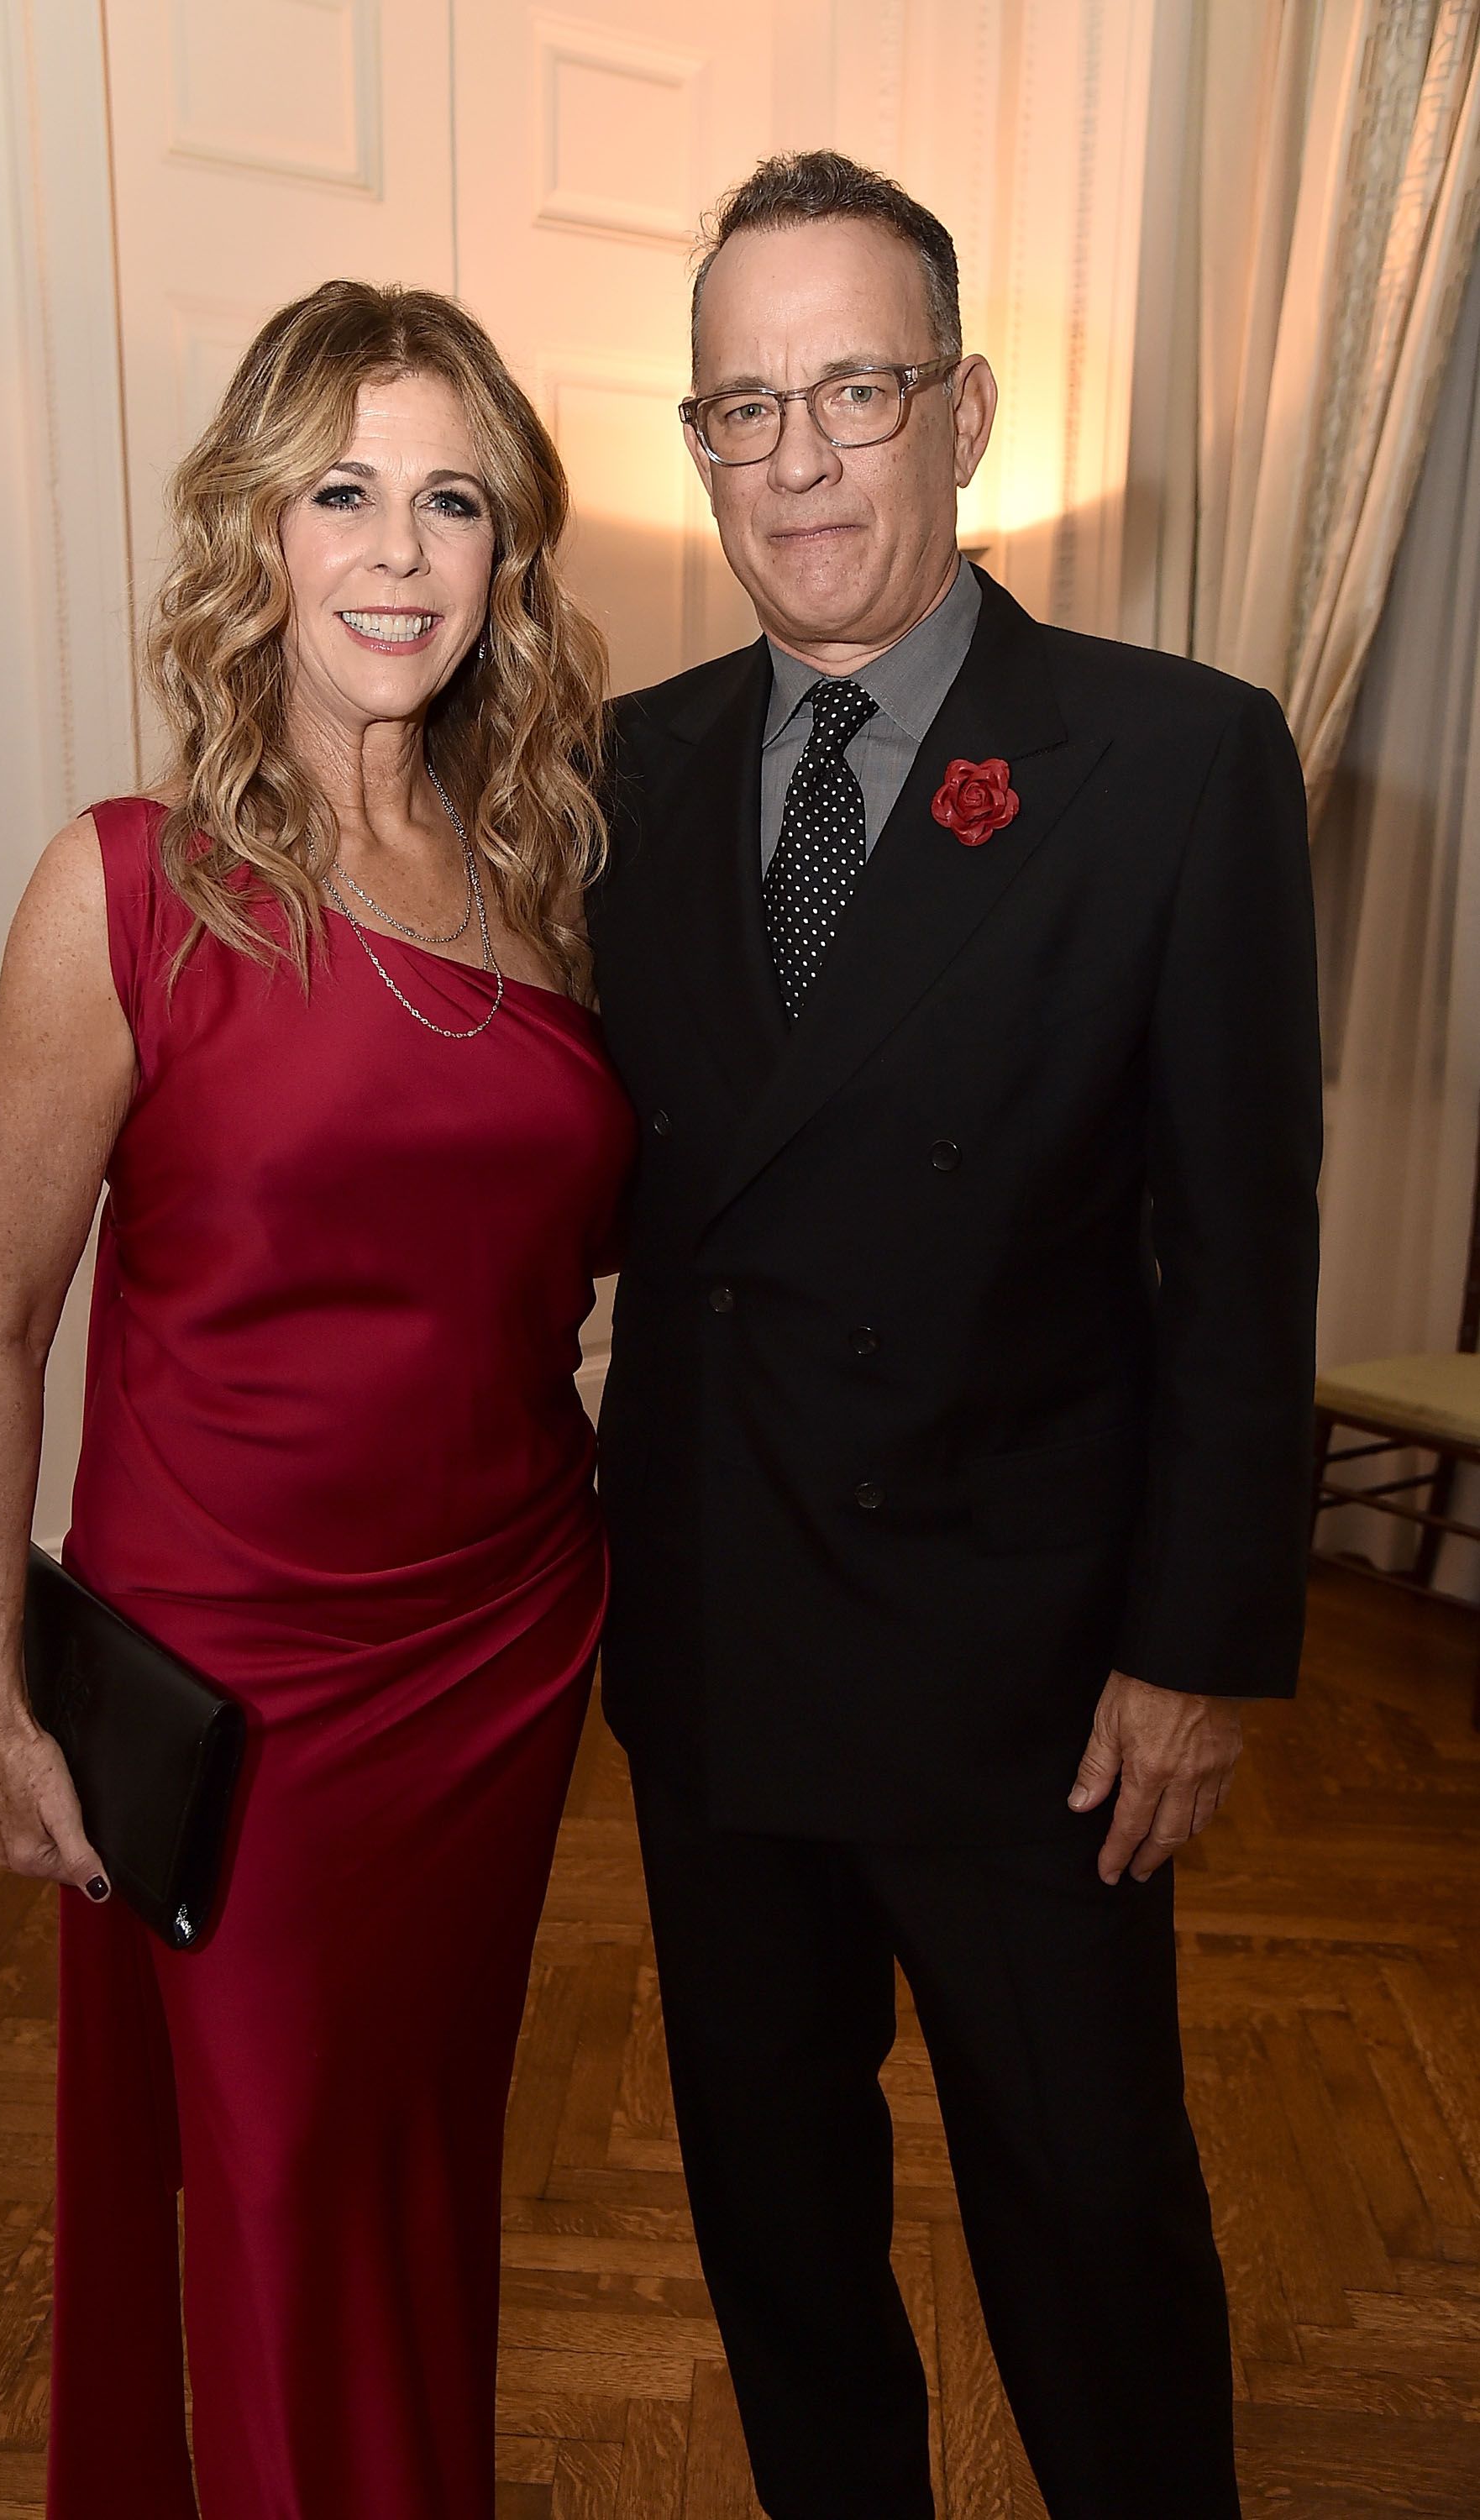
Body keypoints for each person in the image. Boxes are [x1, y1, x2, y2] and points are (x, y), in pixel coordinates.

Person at [588, 151, 1321, 2520]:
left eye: (853, 389)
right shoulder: (623, 766)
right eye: (739, 406)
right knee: (776, 2234)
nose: (795, 458)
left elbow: (1241, 1246)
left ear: (961, 408)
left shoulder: (1172, 760)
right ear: (694, 444)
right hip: (714, 1655)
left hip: (1026, 1690)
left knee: (1094, 2237)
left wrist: (1194, 1652)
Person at [0, 279, 633, 2520]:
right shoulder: (125, 889)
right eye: (344, 490)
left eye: (451, 500)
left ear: (506, 556)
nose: (401, 552)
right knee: (271, 2185)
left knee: (414, 2162)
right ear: (257, 529)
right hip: (233, 1691)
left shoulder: (548, 888)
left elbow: (547, 1262)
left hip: (506, 1652)